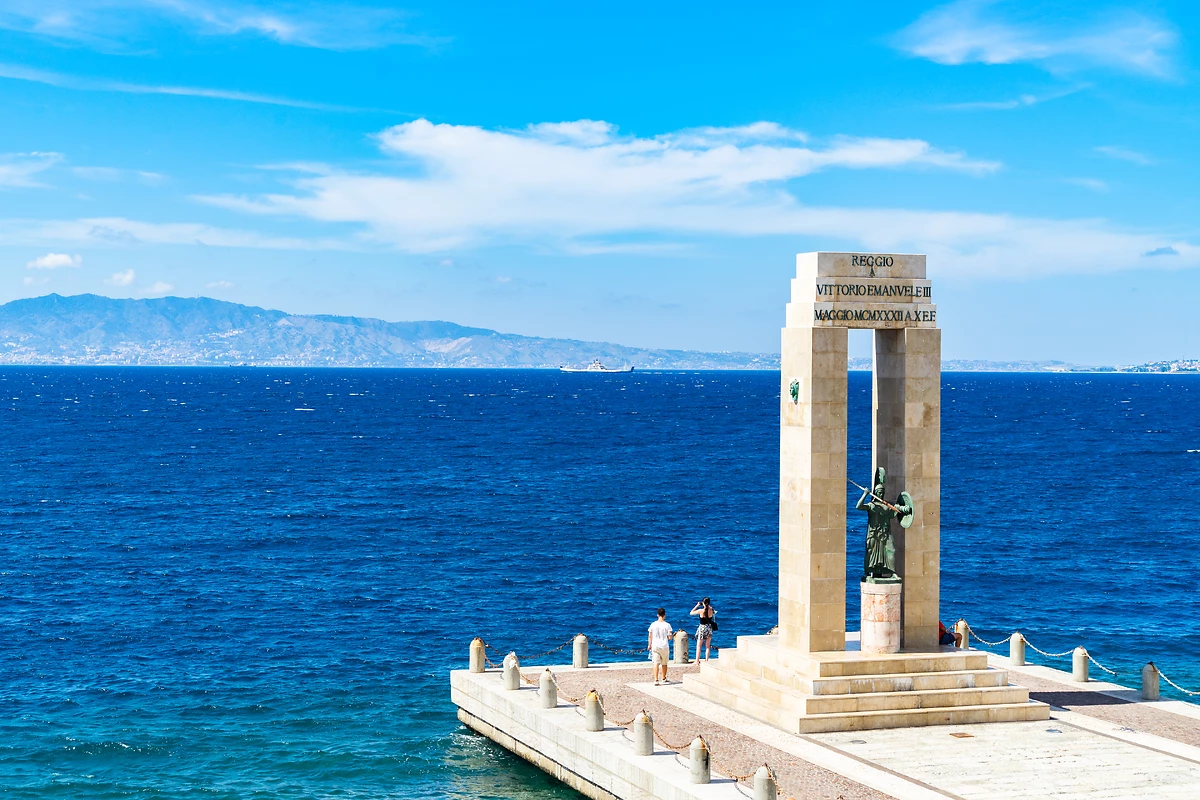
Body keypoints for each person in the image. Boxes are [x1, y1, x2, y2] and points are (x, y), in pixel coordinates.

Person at [647, 607, 673, 685]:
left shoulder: (653, 624)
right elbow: (670, 637)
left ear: (657, 615)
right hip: (664, 646)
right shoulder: (667, 625)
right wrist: (671, 635)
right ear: (664, 615)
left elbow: (650, 636)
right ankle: (664, 678)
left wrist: (649, 645)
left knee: (656, 663)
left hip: (655, 645)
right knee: (664, 663)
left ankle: (656, 679)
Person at [690, 597, 716, 661]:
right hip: (709, 628)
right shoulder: (712, 610)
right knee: (707, 646)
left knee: (699, 645)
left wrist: (697, 605)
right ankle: (706, 660)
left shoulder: (701, 611)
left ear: (703, 603)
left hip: (702, 628)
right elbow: (712, 611)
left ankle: (697, 661)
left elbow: (691, 613)